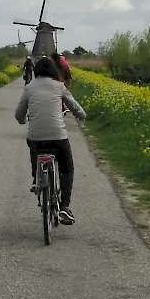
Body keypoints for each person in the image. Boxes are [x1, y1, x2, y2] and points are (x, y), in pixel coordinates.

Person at [14, 56, 87, 224]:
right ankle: (64, 207)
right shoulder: (60, 86)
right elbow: (75, 107)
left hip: (36, 137)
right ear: (53, 71)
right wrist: (82, 116)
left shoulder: (29, 88)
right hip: (58, 137)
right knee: (68, 168)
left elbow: (19, 114)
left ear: (35, 70)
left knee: (33, 146)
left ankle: (36, 179)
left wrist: (22, 120)